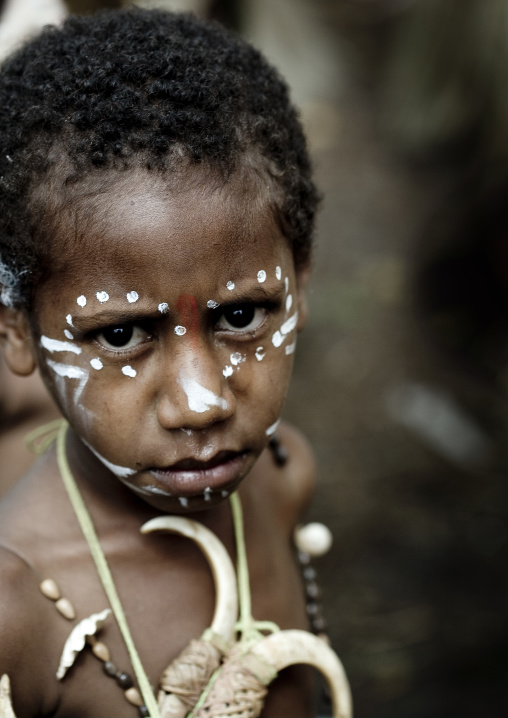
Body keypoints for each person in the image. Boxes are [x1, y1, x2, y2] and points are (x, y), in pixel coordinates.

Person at [0, 8, 343, 717]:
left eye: (241, 316)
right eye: (122, 334)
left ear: (301, 286)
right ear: (18, 333)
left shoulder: (283, 478)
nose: (201, 401)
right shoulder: (18, 614)